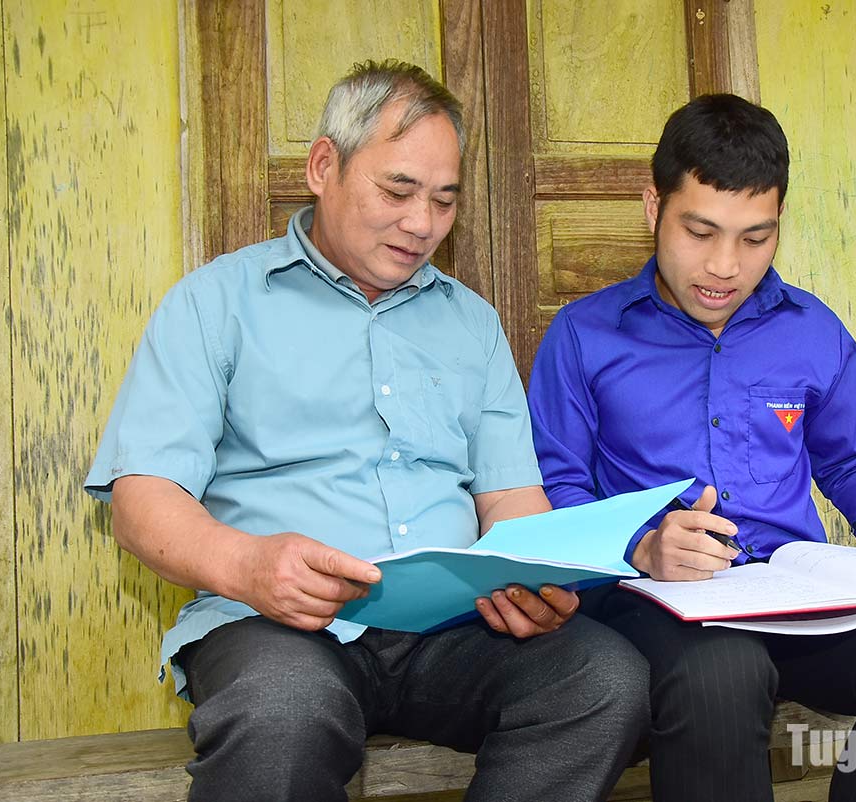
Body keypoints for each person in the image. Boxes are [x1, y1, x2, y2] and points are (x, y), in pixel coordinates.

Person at [84, 60, 648, 802]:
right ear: (324, 166)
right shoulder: (214, 303)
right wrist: (248, 566)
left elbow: (510, 497)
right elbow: (141, 503)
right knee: (282, 710)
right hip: (274, 626)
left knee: (603, 679)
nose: (423, 224)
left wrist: (536, 575)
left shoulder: (471, 323)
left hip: (453, 630)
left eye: (444, 200)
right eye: (398, 190)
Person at [528, 93, 856, 802]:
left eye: (754, 238)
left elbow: (850, 461)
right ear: (653, 207)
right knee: (722, 672)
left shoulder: (813, 330)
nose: (724, 265)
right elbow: (556, 489)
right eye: (700, 232)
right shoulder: (585, 335)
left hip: (797, 595)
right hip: (657, 606)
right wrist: (642, 545)